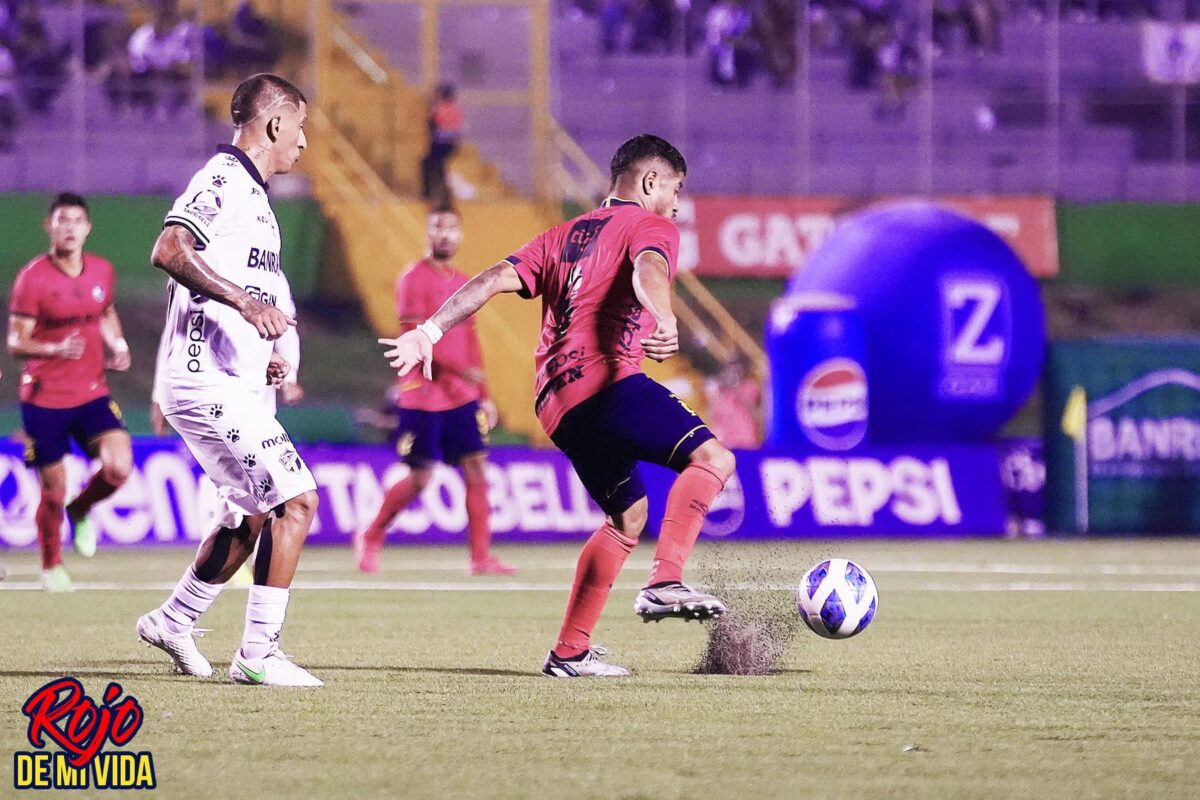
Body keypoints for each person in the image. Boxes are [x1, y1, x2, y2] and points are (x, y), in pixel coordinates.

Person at [382, 134, 737, 677]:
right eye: (674, 188)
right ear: (648, 183)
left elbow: (493, 278)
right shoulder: (649, 225)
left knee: (627, 517)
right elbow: (650, 270)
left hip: (558, 405)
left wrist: (428, 331)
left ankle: (569, 652)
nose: (675, 202)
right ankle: (665, 580)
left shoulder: (562, 235)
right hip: (607, 381)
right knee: (713, 460)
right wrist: (665, 317)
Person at [135, 72, 323, 688]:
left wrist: (264, 349)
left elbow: (237, 285)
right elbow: (169, 249)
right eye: (299, 127)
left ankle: (175, 619)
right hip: (203, 382)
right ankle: (259, 654)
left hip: (233, 380)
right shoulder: (223, 178)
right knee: (297, 502)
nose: (303, 142)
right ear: (274, 125)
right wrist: (246, 305)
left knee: (250, 517)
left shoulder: (256, 198)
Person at [354, 206, 516, 577]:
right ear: (427, 234)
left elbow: (470, 341)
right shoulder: (413, 279)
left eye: (451, 228)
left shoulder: (463, 281)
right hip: (422, 394)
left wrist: (484, 393)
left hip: (461, 395)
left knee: (476, 469)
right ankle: (371, 534)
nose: (444, 235)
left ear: (460, 235)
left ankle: (480, 558)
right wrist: (462, 370)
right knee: (420, 478)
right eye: (437, 228)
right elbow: (413, 338)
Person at [6, 192, 134, 593]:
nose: (69, 228)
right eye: (62, 220)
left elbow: (106, 312)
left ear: (88, 228)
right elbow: (15, 341)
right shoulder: (33, 278)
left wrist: (119, 344)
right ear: (49, 226)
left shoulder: (101, 271)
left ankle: (81, 510)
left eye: (77, 221)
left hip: (93, 391)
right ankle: (52, 566)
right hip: (44, 398)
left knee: (118, 468)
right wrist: (55, 349)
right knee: (53, 487)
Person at [420, 83, 463, 205]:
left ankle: (427, 193)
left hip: (440, 143)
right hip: (452, 143)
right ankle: (440, 192)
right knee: (439, 166)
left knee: (427, 164)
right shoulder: (456, 109)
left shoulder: (439, 108)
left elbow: (431, 122)